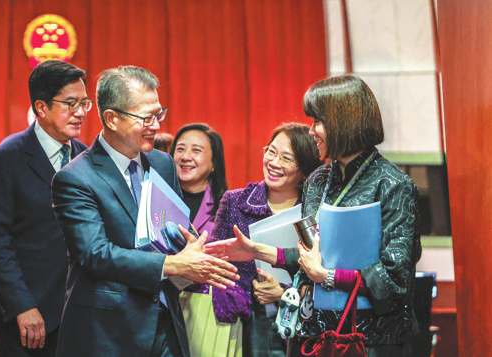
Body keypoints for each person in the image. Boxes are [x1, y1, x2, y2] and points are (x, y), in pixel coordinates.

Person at [205, 74, 422, 357]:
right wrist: (256, 250)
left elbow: (396, 281)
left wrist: (328, 276)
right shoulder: (318, 180)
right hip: (312, 336)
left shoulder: (393, 185)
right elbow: (310, 258)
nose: (312, 131)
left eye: (318, 121)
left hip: (371, 342)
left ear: (343, 123)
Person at [50, 65, 239, 357]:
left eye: (159, 114)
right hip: (109, 330)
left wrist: (194, 253)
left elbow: (175, 229)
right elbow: (95, 254)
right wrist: (170, 265)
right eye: (146, 117)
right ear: (111, 119)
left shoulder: (162, 164)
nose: (156, 125)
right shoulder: (76, 178)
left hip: (166, 322)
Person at [0, 60, 90, 356]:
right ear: (41, 108)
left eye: (84, 103)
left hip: (75, 313)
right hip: (25, 314)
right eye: (71, 104)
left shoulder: (85, 158)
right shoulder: (8, 157)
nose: (80, 113)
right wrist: (22, 306)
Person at [205, 123, 322, 357]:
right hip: (247, 325)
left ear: (305, 169)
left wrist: (284, 293)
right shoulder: (235, 202)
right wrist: (246, 292)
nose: (274, 163)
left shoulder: (315, 213)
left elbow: (326, 275)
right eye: (271, 151)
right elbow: (216, 264)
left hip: (306, 328)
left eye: (287, 158)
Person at [169, 123, 233, 356]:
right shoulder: (155, 199)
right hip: (157, 307)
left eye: (196, 150)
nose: (186, 157)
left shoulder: (228, 207)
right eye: (180, 149)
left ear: (214, 163)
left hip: (205, 312)